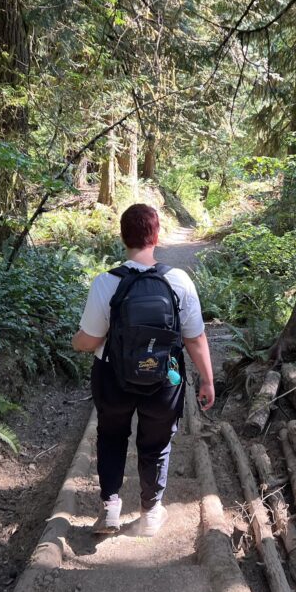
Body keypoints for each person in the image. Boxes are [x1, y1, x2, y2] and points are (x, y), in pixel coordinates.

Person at [72, 203, 215, 537]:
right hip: (165, 379)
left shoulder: (106, 283)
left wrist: (76, 341)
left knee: (111, 436)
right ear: (157, 236)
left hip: (113, 376)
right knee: (156, 442)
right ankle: (151, 513)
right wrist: (207, 380)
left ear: (123, 237)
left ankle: (109, 511)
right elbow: (194, 338)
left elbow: (89, 339)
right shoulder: (179, 281)